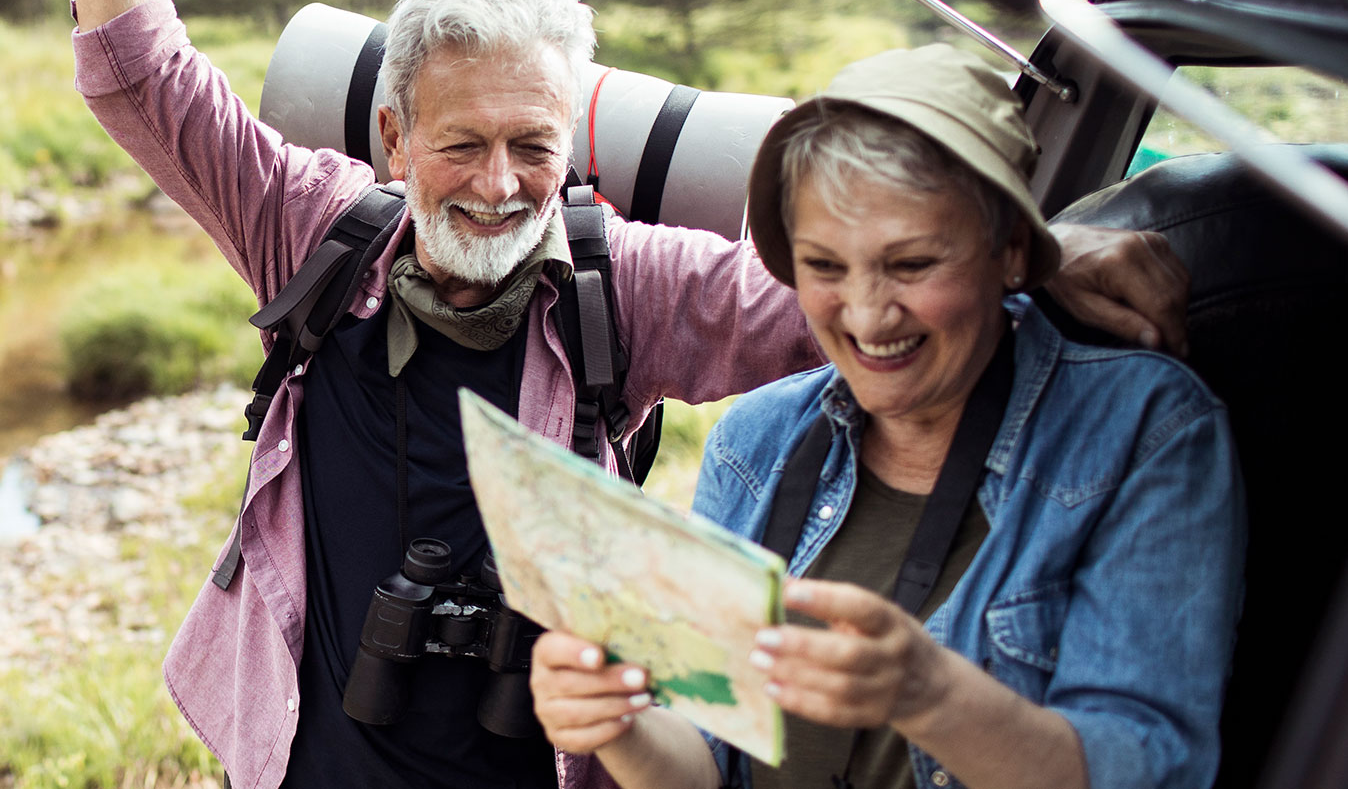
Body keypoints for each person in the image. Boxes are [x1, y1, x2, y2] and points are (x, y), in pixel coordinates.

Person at [68, 0, 1195, 786]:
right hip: (303, 753)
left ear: (576, 146)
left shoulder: (633, 286)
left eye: (534, 147)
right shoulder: (310, 231)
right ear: (393, 136)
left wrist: (1037, 256)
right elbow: (139, 76)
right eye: (460, 144)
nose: (499, 183)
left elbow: (846, 292)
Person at [528, 45, 1244, 789]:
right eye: (825, 267)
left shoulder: (1142, 431)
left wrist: (931, 695)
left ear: (1011, 250)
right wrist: (620, 721)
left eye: (910, 265)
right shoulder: (756, 441)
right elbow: (707, 762)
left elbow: (1151, 770)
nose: (868, 315)